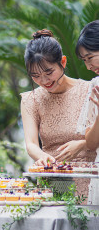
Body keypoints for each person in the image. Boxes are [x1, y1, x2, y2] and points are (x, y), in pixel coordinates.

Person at [21, 29, 95, 199]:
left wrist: (82, 145)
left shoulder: (90, 90)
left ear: (62, 62)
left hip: (90, 179)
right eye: (36, 76)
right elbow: (31, 144)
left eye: (49, 72)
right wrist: (43, 157)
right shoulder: (30, 100)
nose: (44, 81)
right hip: (52, 179)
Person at [75, 20, 99, 204]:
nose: (88, 66)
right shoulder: (96, 87)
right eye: (84, 61)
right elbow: (91, 143)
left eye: (90, 57)